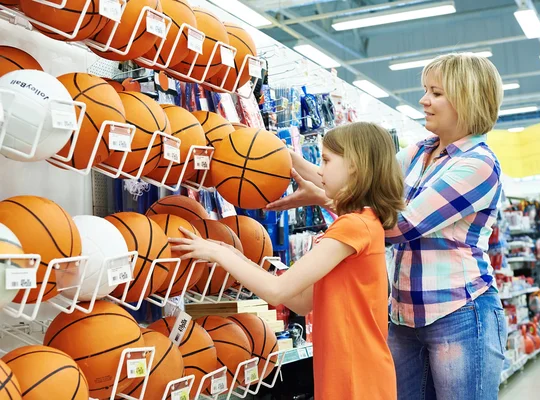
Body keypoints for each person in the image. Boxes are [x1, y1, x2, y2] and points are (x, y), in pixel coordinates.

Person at [267, 53, 507, 400]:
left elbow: (398, 225)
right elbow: (354, 183)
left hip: (460, 313)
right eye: (426, 90)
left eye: (436, 93)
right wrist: (283, 157)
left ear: (466, 97)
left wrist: (320, 198)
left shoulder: (479, 164)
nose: (424, 100)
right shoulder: (415, 154)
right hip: (403, 317)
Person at [170, 122, 403, 400]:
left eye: (327, 160)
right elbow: (301, 301)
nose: (319, 170)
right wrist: (234, 256)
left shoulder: (353, 226)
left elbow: (277, 292)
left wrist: (219, 254)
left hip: (356, 375)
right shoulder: (362, 223)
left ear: (354, 165)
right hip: (348, 370)